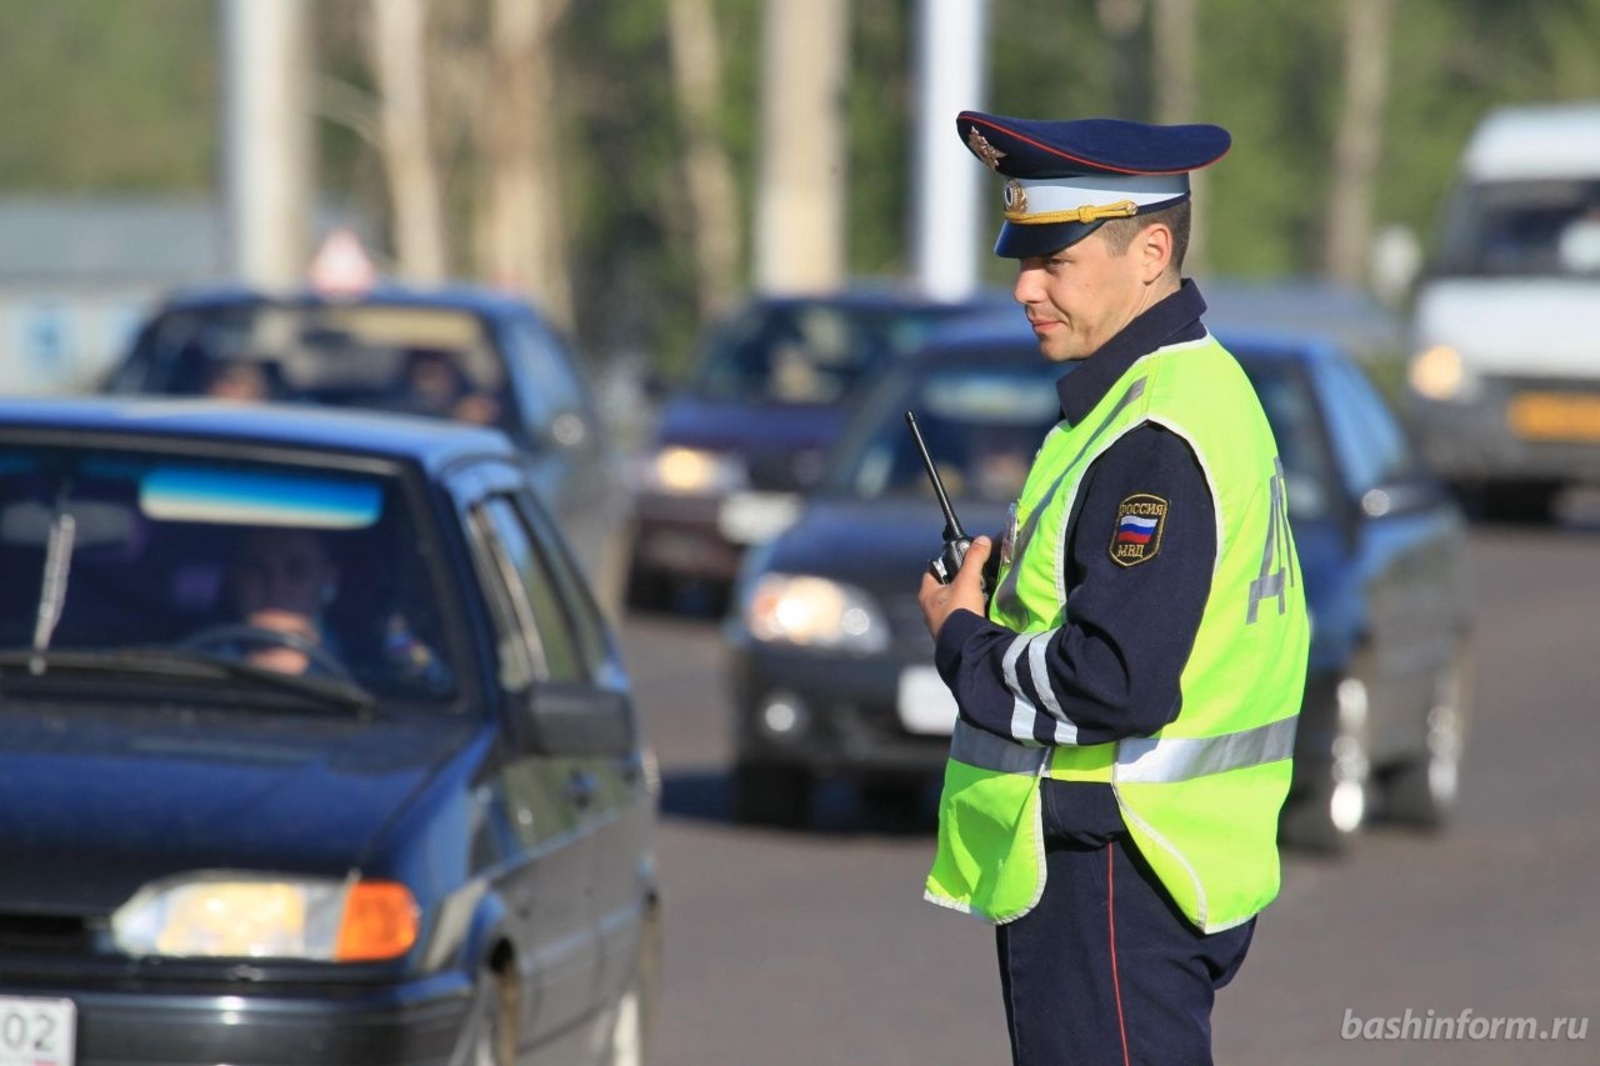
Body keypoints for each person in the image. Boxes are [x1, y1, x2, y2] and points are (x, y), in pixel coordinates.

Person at [916, 111, 1310, 1065]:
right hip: (1155, 866)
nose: (1025, 287)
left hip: (1117, 869)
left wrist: (962, 639)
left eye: (1057, 261)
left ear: (1152, 251)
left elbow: (1116, 679)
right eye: (1023, 259)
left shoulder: (1152, 438)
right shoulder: (1187, 391)